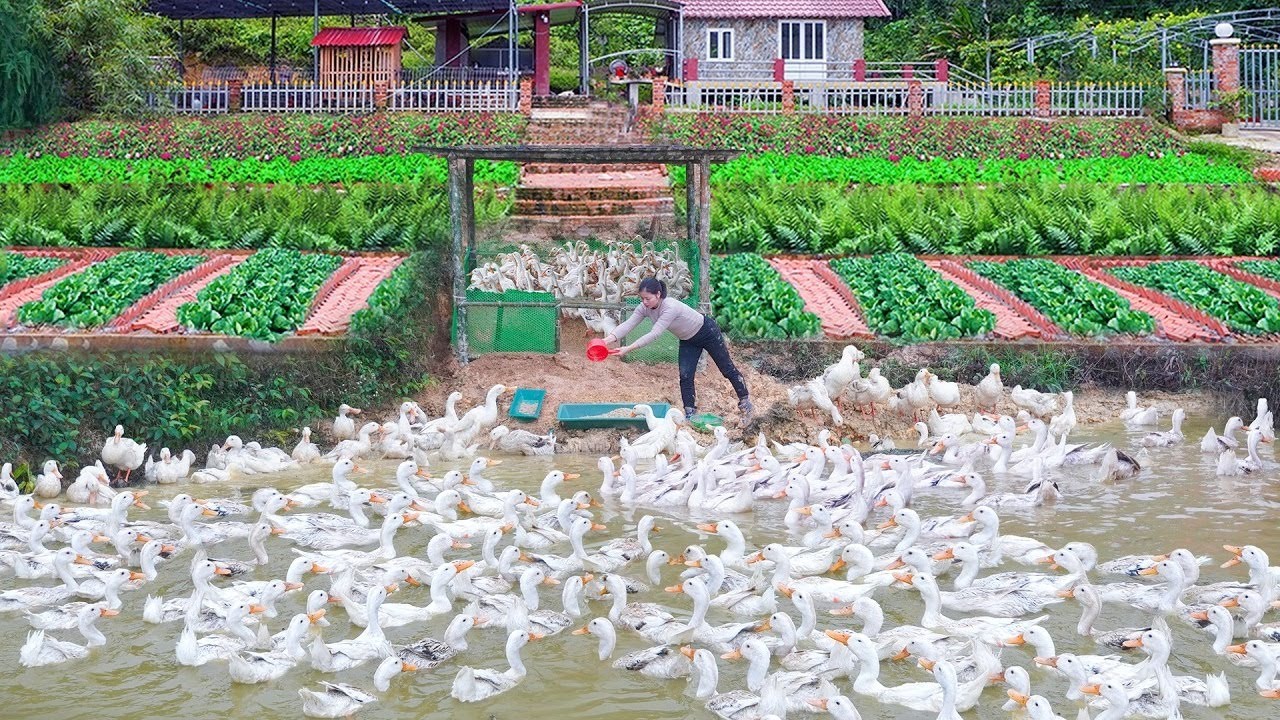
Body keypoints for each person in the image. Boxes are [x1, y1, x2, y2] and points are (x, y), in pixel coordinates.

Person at [602, 278, 753, 425]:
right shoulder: (644, 308)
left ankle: (745, 402)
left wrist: (629, 348)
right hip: (688, 340)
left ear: (658, 294)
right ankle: (690, 414)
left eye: (648, 298)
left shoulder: (670, 307)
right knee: (685, 376)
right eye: (642, 298)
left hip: (707, 332)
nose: (644, 302)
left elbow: (655, 333)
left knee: (727, 369)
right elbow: (628, 324)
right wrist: (606, 341)